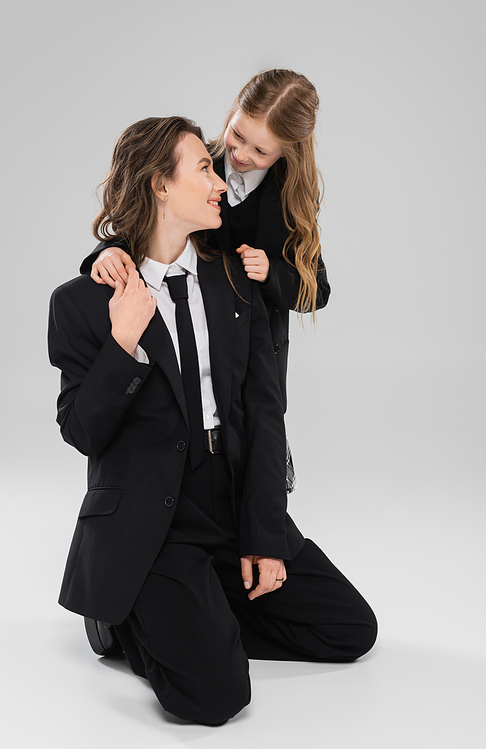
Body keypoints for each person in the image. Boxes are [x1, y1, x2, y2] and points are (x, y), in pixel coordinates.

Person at [49, 116, 376, 726]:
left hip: (226, 498)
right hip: (154, 519)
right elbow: (81, 431)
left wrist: (264, 535)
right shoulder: (83, 301)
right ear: (159, 185)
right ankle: (124, 614)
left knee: (350, 628)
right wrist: (123, 345)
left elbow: (261, 412)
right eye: (204, 168)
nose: (222, 181)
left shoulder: (234, 280)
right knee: (216, 696)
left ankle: (196, 613)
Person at [80, 70, 330, 487]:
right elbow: (145, 214)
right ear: (232, 114)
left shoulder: (292, 199)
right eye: (238, 136)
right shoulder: (197, 166)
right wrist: (108, 250)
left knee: (254, 464)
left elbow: (316, 289)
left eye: (261, 150)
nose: (242, 154)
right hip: (193, 333)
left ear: (288, 151)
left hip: (255, 350)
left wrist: (272, 273)